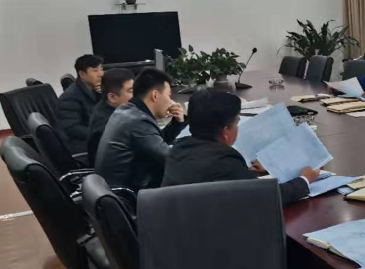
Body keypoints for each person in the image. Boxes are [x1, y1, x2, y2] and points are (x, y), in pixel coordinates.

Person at [162, 90, 320, 205]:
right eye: (237, 122)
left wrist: (251, 171)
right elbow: (267, 197)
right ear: (226, 132)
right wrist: (305, 180)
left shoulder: (179, 148)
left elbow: (223, 177)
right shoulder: (225, 160)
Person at [95, 68, 186, 192]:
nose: (171, 101)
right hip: (128, 195)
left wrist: (176, 123)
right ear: (155, 95)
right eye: (169, 95)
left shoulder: (127, 110)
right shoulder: (138, 121)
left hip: (116, 188)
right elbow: (171, 159)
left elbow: (156, 142)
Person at [55, 54, 104, 153]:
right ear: (82, 74)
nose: (101, 74)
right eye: (95, 71)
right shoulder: (70, 97)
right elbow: (72, 129)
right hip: (81, 146)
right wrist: (102, 134)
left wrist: (102, 96)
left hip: (93, 140)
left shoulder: (95, 90)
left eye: (101, 69)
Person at [87, 68, 134, 165]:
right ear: (112, 97)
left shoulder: (111, 110)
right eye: (131, 91)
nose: (136, 95)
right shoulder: (108, 124)